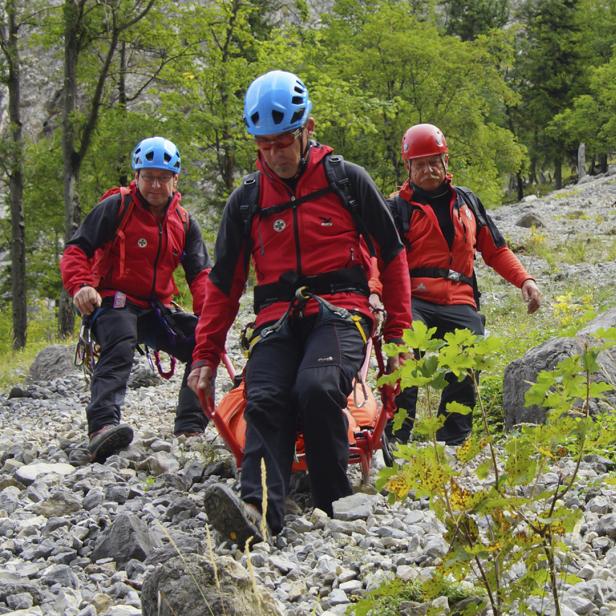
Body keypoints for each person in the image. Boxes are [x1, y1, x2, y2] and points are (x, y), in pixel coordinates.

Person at [188, 70, 411, 547]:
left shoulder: (347, 180)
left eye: (284, 141)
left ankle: (335, 501)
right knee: (265, 396)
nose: (276, 154)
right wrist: (204, 356)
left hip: (342, 308)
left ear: (307, 129)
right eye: (264, 145)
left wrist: (400, 339)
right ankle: (259, 509)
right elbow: (223, 286)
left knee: (317, 385)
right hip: (275, 318)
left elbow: (392, 258)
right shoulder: (246, 200)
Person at [386, 123, 541, 446]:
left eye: (434, 161)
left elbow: (495, 249)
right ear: (408, 167)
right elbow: (380, 259)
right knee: (404, 352)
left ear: (446, 162)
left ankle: (454, 437)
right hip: (413, 298)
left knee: (470, 349)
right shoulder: (396, 208)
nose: (428, 169)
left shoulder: (467, 202)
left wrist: (524, 279)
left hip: (459, 297)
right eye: (420, 164)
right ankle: (395, 436)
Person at [60, 136, 211, 463]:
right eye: (148, 177)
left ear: (175, 180)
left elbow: (200, 275)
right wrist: (80, 286)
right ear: (137, 176)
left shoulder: (184, 223)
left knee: (203, 341)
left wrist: (211, 317)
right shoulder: (117, 207)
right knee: (122, 337)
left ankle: (190, 426)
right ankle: (102, 426)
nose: (155, 185)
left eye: (162, 177)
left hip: (156, 309)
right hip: (114, 301)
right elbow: (77, 249)